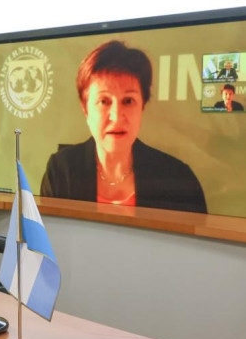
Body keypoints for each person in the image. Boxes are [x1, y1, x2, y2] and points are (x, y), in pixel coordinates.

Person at [40, 40, 207, 213]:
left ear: (142, 106)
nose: (116, 116)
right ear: (85, 109)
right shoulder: (61, 172)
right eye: (104, 101)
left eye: (128, 101)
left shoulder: (179, 180)